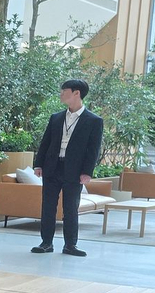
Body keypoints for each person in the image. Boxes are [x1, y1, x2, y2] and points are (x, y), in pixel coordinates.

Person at [31, 79, 103, 257]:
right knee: (48, 207)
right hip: (52, 167)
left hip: (75, 170)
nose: (61, 93)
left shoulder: (94, 120)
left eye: (65, 90)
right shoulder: (56, 117)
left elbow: (93, 149)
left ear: (76, 93)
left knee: (70, 208)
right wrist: (38, 164)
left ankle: (70, 245)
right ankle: (46, 243)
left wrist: (87, 172)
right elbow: (45, 142)